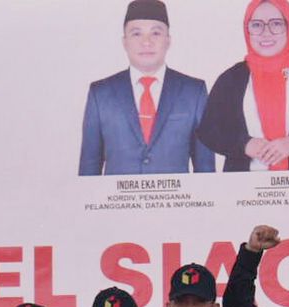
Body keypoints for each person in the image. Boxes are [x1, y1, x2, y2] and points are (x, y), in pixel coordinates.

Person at [79, 0, 215, 176]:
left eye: (156, 33)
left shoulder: (193, 92)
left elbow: (205, 170)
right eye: (136, 34)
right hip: (118, 195)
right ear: (124, 42)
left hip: (176, 195)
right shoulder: (100, 94)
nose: (146, 42)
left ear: (168, 40)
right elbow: (89, 169)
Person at [198, 1, 289, 172]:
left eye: (276, 24)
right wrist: (244, 144)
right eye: (257, 25)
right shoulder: (231, 79)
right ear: (247, 30)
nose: (266, 33)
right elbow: (209, 131)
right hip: (241, 184)